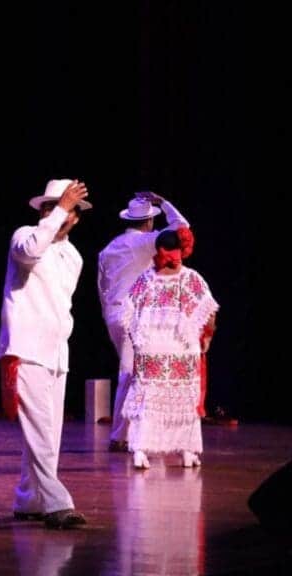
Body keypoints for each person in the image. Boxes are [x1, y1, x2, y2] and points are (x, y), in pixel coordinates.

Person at [0, 179, 91, 530]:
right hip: (26, 347)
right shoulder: (25, 236)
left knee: (50, 433)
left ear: (77, 218)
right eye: (52, 206)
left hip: (56, 350)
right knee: (39, 429)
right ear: (43, 211)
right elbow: (32, 251)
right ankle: (56, 503)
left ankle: (28, 497)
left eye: (67, 208)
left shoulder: (74, 255)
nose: (59, 213)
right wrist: (59, 211)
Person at [98, 191, 189, 452]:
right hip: (133, 313)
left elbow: (102, 288)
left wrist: (108, 316)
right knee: (130, 372)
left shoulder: (108, 249)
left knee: (135, 371)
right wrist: (164, 202)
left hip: (114, 314)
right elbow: (182, 230)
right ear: (149, 222)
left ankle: (129, 432)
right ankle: (119, 436)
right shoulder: (147, 242)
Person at [122, 228, 217, 469]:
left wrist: (137, 342)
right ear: (181, 250)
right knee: (184, 400)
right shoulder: (191, 278)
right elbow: (209, 312)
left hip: (151, 347)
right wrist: (207, 338)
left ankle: (141, 451)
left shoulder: (145, 279)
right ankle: (186, 451)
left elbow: (128, 312)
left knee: (148, 399)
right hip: (181, 347)